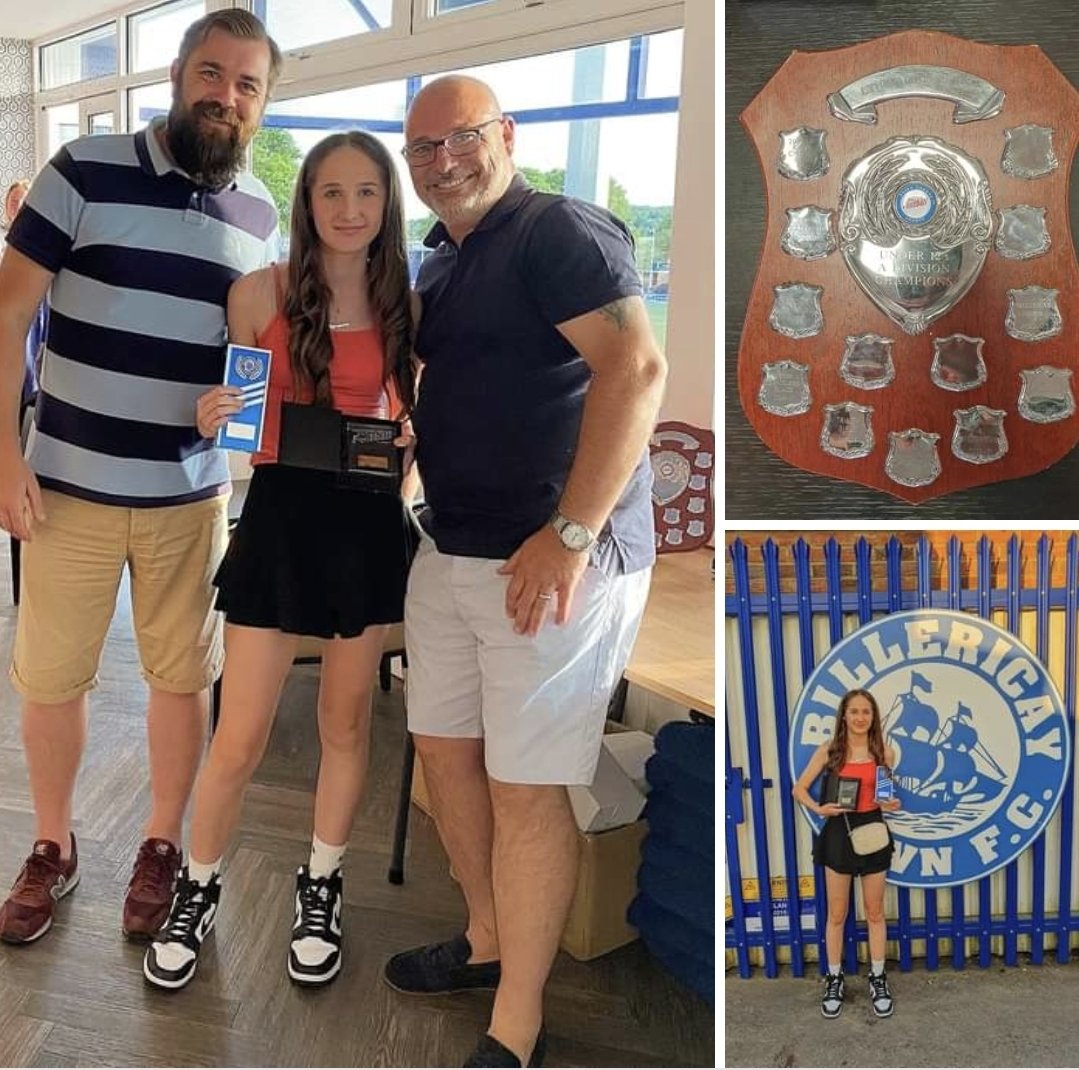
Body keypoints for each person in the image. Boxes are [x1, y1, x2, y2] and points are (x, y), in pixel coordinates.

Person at [383, 75, 668, 1068]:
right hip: (449, 545)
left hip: (550, 561)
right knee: (442, 748)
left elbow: (635, 369)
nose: (441, 161)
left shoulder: (560, 232)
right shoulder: (441, 257)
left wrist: (573, 531)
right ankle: (486, 935)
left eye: (458, 137)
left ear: (505, 133)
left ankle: (518, 1015)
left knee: (524, 787)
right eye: (420, 149)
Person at [0, 9, 281, 946]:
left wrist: (235, 413)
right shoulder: (81, 170)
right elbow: (7, 319)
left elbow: (246, 357)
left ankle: (160, 843)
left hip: (189, 499)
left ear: (262, 102)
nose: (225, 94)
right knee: (52, 679)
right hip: (67, 488)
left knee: (177, 677)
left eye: (246, 84)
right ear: (176, 71)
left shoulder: (260, 216)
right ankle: (52, 846)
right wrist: (2, 455)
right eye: (212, 72)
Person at [142, 130, 418, 991]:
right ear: (305, 203)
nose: (347, 210)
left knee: (343, 724)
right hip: (280, 520)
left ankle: (321, 881)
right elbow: (241, 414)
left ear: (386, 205)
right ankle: (199, 885)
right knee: (242, 733)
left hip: (366, 522)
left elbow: (410, 419)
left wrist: (413, 438)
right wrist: (212, 411)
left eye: (365, 193)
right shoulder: (255, 290)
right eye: (330, 193)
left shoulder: (409, 297)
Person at [792, 688, 901, 1019]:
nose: (859, 717)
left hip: (873, 833)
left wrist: (891, 803)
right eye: (853, 711)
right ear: (844, 715)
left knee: (875, 912)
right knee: (837, 915)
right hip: (839, 835)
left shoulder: (885, 752)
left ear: (873, 717)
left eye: (866, 711)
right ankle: (833, 978)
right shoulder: (830, 751)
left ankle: (878, 978)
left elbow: (884, 796)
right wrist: (819, 808)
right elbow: (799, 789)